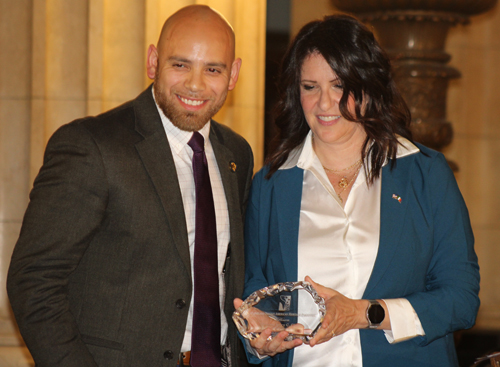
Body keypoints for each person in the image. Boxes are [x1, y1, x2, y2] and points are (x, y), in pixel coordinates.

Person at [7, 5, 253, 367]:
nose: (196, 84)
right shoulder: (91, 146)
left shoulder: (237, 154)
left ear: (233, 74)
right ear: (153, 62)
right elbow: (33, 281)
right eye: (180, 64)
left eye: (212, 69)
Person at [234, 14, 479, 367]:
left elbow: (461, 299)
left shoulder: (426, 174)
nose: (323, 103)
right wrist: (261, 340)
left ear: (368, 86)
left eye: (338, 85)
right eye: (309, 87)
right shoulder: (270, 185)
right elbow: (255, 294)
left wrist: (365, 313)